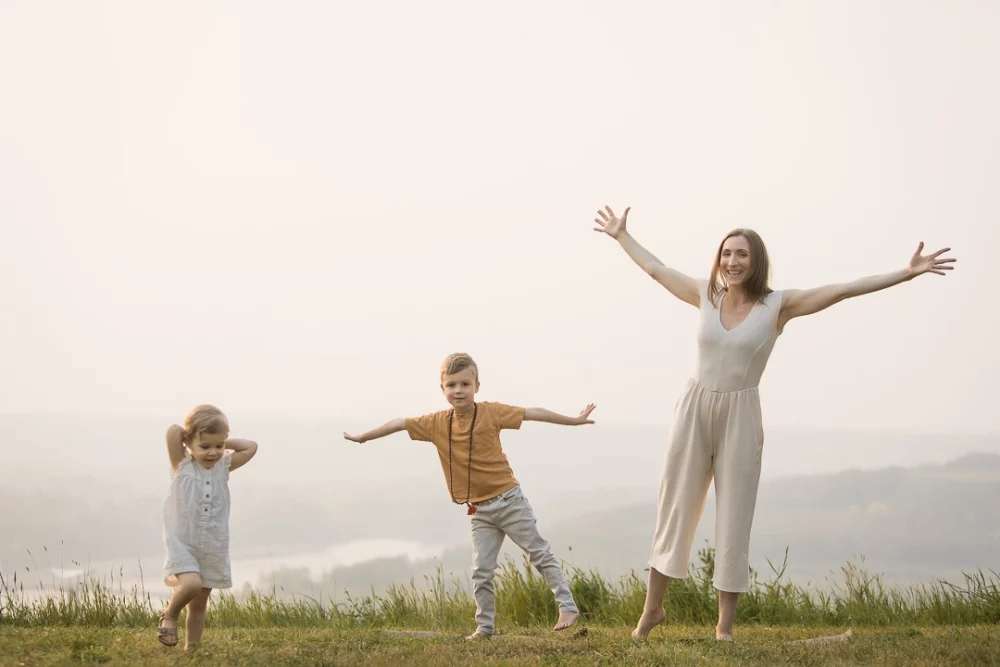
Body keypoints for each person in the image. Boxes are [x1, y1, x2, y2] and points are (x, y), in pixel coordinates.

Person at [592, 205, 955, 641]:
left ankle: (724, 628)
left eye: (741, 254)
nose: (732, 261)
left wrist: (905, 273)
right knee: (674, 507)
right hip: (694, 409)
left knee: (734, 517)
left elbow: (842, 290)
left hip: (741, 416)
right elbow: (656, 269)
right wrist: (622, 236)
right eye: (727, 253)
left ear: (756, 260)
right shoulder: (704, 294)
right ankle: (652, 611)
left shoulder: (777, 306)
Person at [343, 352, 596, 639]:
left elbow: (531, 412)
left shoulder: (492, 412)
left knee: (538, 552)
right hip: (478, 510)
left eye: (465, 384)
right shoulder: (435, 422)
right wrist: (364, 437)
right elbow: (399, 423)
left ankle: (567, 606)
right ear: (442, 389)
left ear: (477, 386)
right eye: (451, 385)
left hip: (509, 500)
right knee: (482, 570)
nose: (458, 390)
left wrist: (574, 421)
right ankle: (484, 628)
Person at [157, 404, 258, 651]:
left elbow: (251, 447)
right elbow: (172, 431)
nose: (213, 452)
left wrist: (221, 437)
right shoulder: (182, 465)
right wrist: (191, 435)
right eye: (205, 446)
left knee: (200, 603)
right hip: (184, 541)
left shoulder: (224, 466)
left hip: (212, 544)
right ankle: (169, 615)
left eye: (219, 446)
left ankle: (193, 649)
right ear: (190, 443)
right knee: (190, 586)